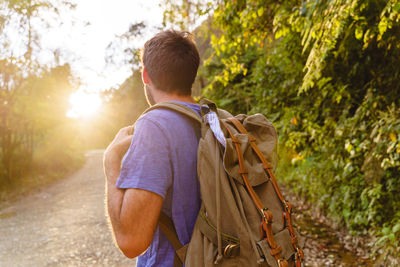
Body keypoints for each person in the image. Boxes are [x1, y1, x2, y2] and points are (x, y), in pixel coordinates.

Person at [103, 30, 202, 267]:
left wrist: (110, 162)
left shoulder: (154, 126)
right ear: (191, 75)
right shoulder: (213, 121)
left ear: (146, 75)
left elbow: (131, 241)